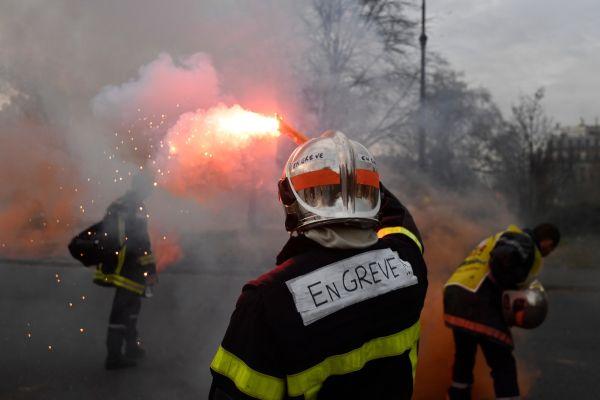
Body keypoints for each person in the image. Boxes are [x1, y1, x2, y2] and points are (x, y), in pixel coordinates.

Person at [209, 131, 428, 399]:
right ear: (372, 195)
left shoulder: (267, 300)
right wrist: (351, 174)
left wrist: (341, 175)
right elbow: (401, 222)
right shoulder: (408, 263)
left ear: (290, 201)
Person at [444, 223, 560, 399]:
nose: (548, 253)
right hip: (478, 299)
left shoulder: (503, 237)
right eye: (550, 249)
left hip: (455, 295)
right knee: (503, 363)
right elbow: (502, 257)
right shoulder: (524, 241)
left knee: (464, 358)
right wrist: (514, 284)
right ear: (548, 243)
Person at [93, 173, 158, 370]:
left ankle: (131, 345)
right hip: (128, 265)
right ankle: (114, 356)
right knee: (123, 308)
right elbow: (140, 241)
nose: (151, 190)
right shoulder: (135, 208)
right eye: (149, 186)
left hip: (117, 262)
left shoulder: (119, 204)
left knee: (132, 306)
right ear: (141, 187)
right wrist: (150, 266)